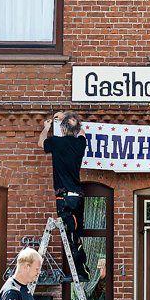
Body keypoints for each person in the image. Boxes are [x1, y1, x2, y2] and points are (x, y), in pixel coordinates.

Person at [39, 111, 89, 282]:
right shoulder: (81, 143)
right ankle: (82, 270)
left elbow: (41, 143)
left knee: (70, 236)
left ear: (62, 128)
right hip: (78, 196)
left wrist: (47, 127)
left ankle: (79, 273)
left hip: (64, 197)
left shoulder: (56, 142)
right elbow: (82, 132)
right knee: (77, 234)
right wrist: (69, 118)